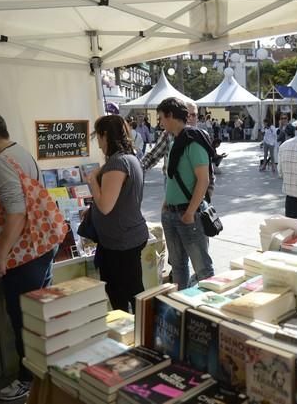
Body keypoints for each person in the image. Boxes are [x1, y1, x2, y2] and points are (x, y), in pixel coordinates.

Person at [0, 110, 65, 401]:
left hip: (22, 255)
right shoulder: (22, 153)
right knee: (39, 314)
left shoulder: (1, 164)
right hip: (41, 247)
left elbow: (16, 213)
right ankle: (43, 373)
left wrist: (0, 256)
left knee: (23, 317)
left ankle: (28, 379)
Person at [87, 116, 148, 312]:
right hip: (124, 238)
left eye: (98, 137)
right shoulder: (130, 158)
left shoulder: (117, 163)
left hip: (121, 241)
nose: (98, 145)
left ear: (105, 135)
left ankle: (133, 334)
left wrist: (92, 181)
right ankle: (138, 332)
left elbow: (105, 205)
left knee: (124, 294)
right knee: (132, 291)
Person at [158, 97, 215, 289]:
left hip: (188, 214)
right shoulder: (176, 141)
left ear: (170, 115)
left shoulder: (193, 141)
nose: (160, 123)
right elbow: (174, 176)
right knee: (178, 266)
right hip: (172, 213)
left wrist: (190, 212)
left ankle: (207, 310)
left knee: (203, 269)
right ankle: (181, 306)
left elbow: (204, 179)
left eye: (161, 118)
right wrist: (167, 201)